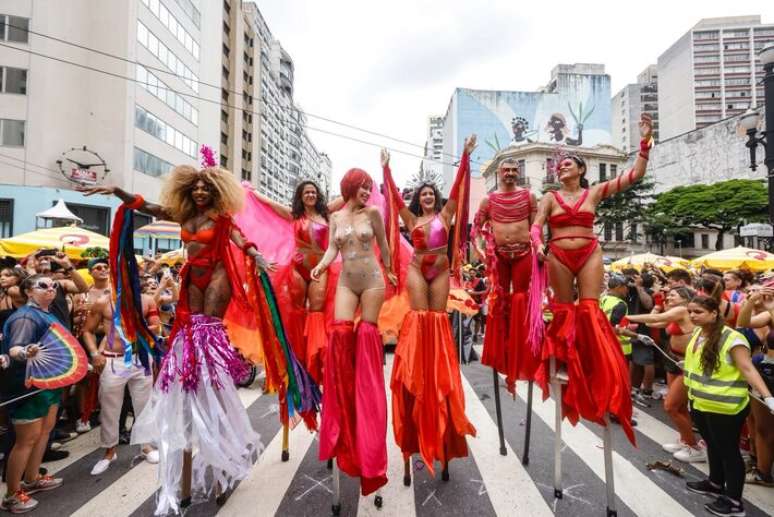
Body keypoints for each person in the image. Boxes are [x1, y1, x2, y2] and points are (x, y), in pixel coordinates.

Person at [79, 158, 276, 514]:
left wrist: (256, 256)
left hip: (217, 275)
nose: (200, 191)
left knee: (206, 330)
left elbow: (240, 239)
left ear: (214, 191)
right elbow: (148, 207)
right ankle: (193, 372)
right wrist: (118, 191)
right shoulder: (183, 215)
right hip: (192, 278)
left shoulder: (222, 218)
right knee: (190, 331)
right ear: (188, 190)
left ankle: (211, 370)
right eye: (195, 187)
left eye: (205, 187)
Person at [530, 113, 654, 442]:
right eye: (560, 166)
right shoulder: (549, 197)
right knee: (564, 309)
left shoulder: (594, 192)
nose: (562, 168)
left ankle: (595, 365)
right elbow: (536, 225)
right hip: (557, 253)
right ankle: (565, 361)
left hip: (589, 253)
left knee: (589, 308)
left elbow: (635, 175)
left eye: (568, 164)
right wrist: (538, 244)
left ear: (581, 169)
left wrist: (644, 143)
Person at [382, 139, 477, 486]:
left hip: (440, 267)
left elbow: (459, 186)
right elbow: (392, 199)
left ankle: (436, 371)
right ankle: (416, 370)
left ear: (435, 198)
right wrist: (387, 170)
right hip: (417, 268)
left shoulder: (446, 215)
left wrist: (465, 156)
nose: (426, 197)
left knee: (437, 324)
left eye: (429, 194)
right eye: (421, 194)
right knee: (419, 322)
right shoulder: (409, 218)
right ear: (417, 198)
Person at [311, 167, 396, 496]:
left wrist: (389, 270)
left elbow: (385, 244)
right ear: (350, 187)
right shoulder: (336, 218)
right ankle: (344, 400)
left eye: (369, 187)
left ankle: (367, 394)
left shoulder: (373, 212)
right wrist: (321, 264)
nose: (366, 192)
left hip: (373, 280)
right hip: (346, 280)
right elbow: (334, 250)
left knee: (365, 336)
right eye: (362, 187)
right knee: (341, 334)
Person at [684, 289, 774, 517]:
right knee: (712, 445)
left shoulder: (732, 338)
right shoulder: (698, 333)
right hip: (700, 403)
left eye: (698, 312)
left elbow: (747, 368)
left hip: (726, 407)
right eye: (690, 311)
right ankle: (715, 483)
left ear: (714, 313)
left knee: (729, 452)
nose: (693, 315)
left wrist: (768, 397)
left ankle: (734, 502)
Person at [249, 181, 343, 384]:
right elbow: (271, 204)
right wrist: (252, 192)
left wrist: (363, 183)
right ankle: (297, 360)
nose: (310, 195)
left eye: (313, 191)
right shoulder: (294, 215)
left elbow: (346, 196)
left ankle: (316, 361)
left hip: (321, 266)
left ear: (318, 195)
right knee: (297, 312)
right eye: (306, 192)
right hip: (297, 267)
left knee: (316, 311)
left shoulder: (327, 213)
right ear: (300, 196)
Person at [82, 272, 161, 476]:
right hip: (113, 359)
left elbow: (157, 326)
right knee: (110, 408)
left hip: (140, 358)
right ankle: (109, 452)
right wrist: (94, 354)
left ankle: (146, 446)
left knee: (144, 405)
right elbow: (87, 331)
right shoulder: (102, 303)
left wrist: (143, 328)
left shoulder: (147, 301)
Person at [472, 155, 538, 393]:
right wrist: (481, 250)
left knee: (521, 298)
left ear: (517, 172)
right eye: (506, 169)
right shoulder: (488, 201)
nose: (510, 173)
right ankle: (501, 351)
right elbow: (476, 228)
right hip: (499, 256)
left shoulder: (529, 196)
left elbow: (537, 228)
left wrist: (540, 248)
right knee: (499, 301)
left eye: (513, 169)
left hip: (523, 254)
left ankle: (523, 351)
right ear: (499, 173)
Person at [1, 275, 65, 513]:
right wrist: (26, 351)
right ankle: (11, 495)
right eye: (43, 286)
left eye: (53, 286)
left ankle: (32, 478)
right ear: (28, 291)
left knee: (43, 432)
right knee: (25, 440)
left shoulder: (47, 313)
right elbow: (16, 349)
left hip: (48, 383)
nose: (50, 289)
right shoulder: (27, 316)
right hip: (27, 386)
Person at [627, 287, 707, 463]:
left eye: (673, 295)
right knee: (679, 406)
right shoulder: (674, 311)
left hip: (688, 363)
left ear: (685, 298)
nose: (668, 296)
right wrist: (657, 304)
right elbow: (652, 324)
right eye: (668, 294)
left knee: (671, 406)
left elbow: (656, 318)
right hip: (674, 361)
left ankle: (694, 448)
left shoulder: (683, 309)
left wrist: (627, 317)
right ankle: (686, 440)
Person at [736, 285, 774, 486]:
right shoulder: (770, 312)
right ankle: (763, 472)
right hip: (767, 372)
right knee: (763, 427)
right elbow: (743, 323)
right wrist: (751, 302)